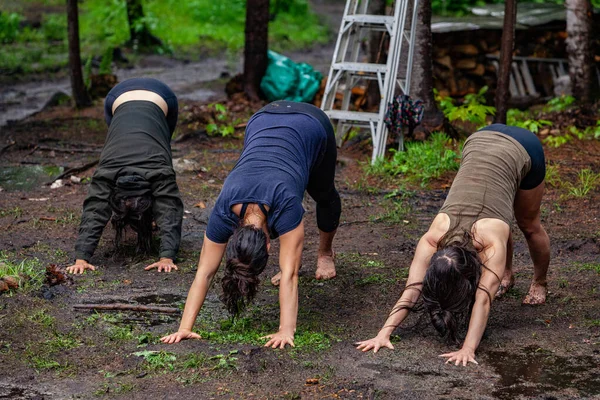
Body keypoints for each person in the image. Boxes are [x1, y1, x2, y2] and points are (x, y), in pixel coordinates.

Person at [356, 124, 550, 365]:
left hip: (523, 146)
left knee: (528, 224)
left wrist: (468, 348)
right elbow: (412, 289)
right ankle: (506, 274)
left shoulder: (490, 245)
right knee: (501, 226)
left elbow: (483, 301)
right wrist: (383, 333)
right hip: (478, 139)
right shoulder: (432, 238)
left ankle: (539, 282)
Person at [161, 100, 341, 349]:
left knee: (324, 195)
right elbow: (205, 272)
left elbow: (290, 275)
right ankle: (296, 254)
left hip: (310, 123)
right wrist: (185, 328)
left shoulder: (287, 204)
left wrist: (286, 330)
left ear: (268, 246)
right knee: (289, 253)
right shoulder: (223, 211)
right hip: (261, 118)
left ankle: (325, 253)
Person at [67, 78, 183, 274]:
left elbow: (96, 206)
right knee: (156, 140)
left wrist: (167, 256)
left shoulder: (156, 169)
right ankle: (152, 222)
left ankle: (152, 223)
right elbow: (168, 204)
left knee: (159, 138)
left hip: (133, 96)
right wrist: (81, 258)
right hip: (136, 97)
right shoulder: (151, 170)